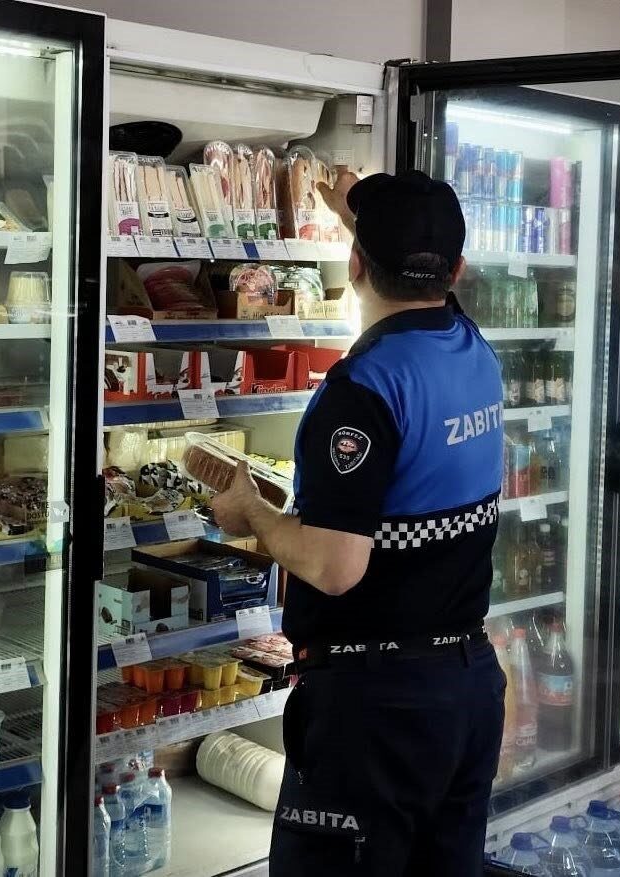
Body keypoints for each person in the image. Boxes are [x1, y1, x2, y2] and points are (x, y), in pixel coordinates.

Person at [211, 169, 506, 876]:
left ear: (354, 265)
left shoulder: (361, 390)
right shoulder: (471, 348)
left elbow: (336, 567)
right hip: (463, 691)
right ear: (455, 271)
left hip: (375, 710)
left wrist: (250, 510)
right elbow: (417, 280)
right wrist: (356, 214)